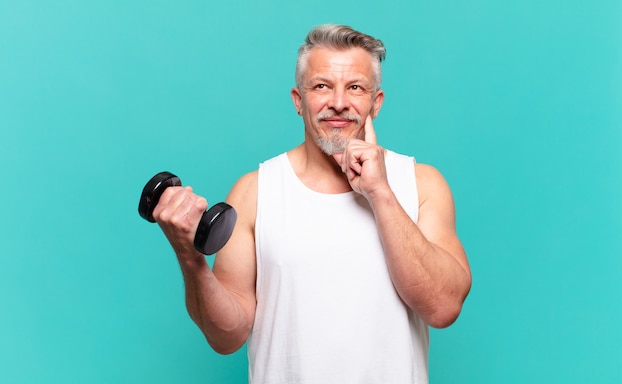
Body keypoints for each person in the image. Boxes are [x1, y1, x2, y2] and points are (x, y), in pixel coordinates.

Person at [153, 24, 471, 384]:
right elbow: (227, 336)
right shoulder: (255, 191)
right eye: (321, 86)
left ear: (376, 102)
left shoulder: (422, 183)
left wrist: (380, 192)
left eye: (355, 87)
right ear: (298, 100)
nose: (338, 102)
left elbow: (443, 308)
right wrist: (191, 258)